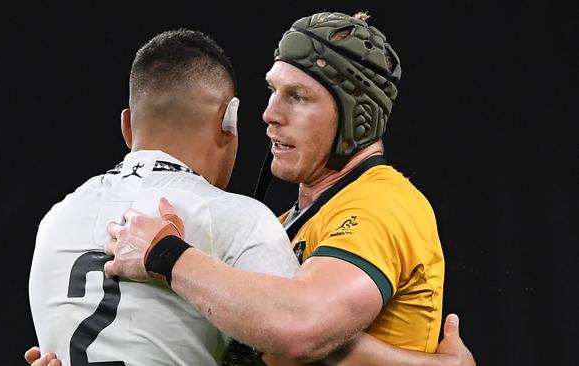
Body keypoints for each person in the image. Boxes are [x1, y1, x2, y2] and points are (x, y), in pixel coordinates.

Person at [26, 14, 475, 366]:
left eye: (297, 97)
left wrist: (168, 256)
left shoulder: (383, 203)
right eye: (271, 91)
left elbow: (300, 332)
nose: (268, 114)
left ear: (359, 117)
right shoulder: (279, 225)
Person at [28, 29, 301, 366]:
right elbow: (301, 344)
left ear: (127, 127)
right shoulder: (241, 220)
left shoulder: (55, 220)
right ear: (227, 121)